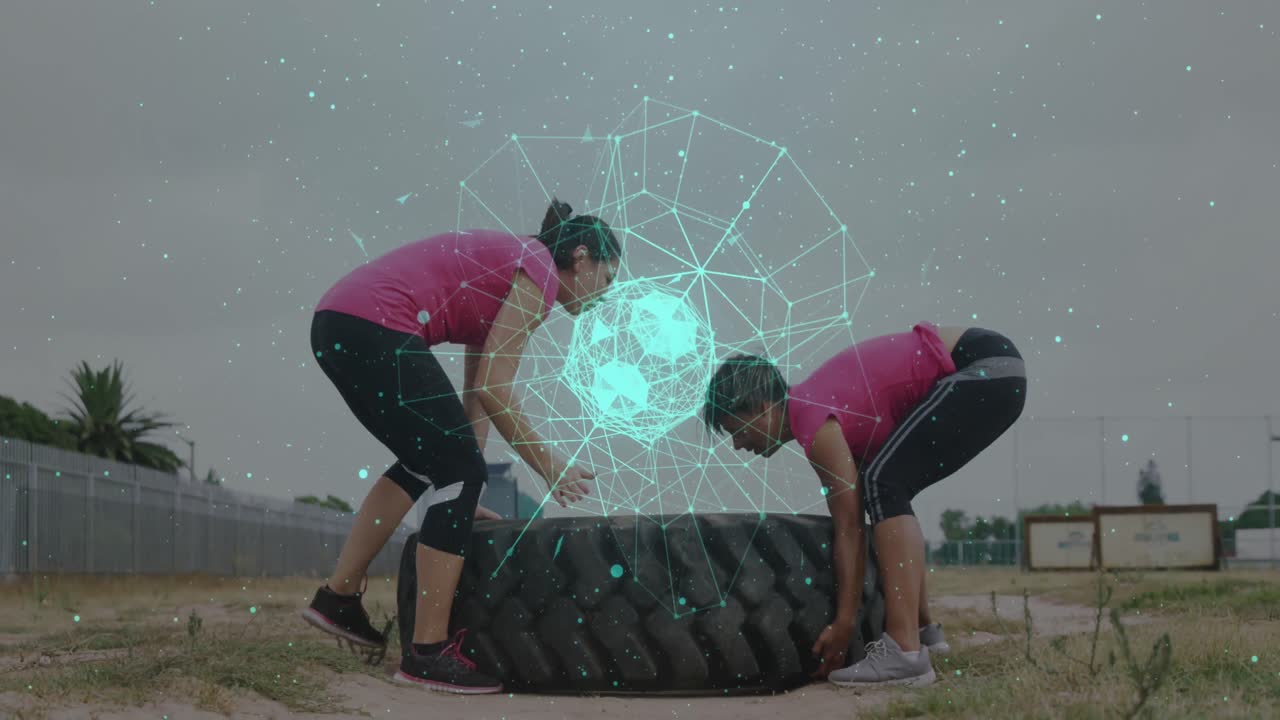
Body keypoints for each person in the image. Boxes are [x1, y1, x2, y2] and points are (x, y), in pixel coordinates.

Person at [300, 198, 621, 693]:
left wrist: (463, 491)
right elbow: (497, 388)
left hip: (337, 323)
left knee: (428, 462)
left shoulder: (509, 271)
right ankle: (426, 654)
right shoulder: (538, 271)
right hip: (374, 324)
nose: (604, 295)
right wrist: (549, 467)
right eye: (607, 279)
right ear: (581, 258)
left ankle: (338, 597)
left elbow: (478, 395)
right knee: (454, 469)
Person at [702, 322, 1026, 686]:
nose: (739, 446)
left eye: (738, 430)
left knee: (883, 482)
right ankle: (923, 634)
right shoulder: (830, 413)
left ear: (764, 409)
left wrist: (844, 623)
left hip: (982, 367)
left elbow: (849, 529)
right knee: (888, 488)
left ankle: (904, 653)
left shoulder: (814, 421)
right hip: (995, 371)